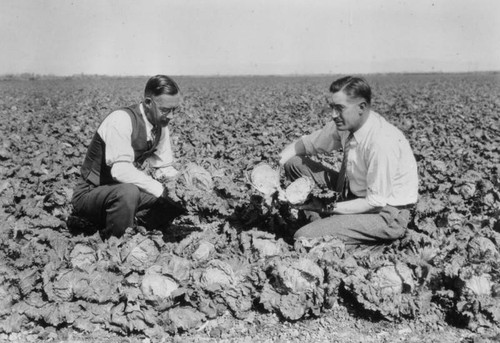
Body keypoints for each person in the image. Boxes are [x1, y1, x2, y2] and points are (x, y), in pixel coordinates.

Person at [279, 76, 418, 249]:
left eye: (340, 109)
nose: (333, 115)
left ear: (361, 107)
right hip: (353, 192)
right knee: (294, 163)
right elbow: (306, 145)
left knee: (303, 237)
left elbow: (375, 203)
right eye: (332, 108)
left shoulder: (381, 141)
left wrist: (325, 207)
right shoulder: (347, 124)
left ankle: (367, 242)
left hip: (386, 213)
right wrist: (272, 167)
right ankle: (327, 226)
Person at [72, 75, 185, 238]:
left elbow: (164, 167)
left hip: (121, 193)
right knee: (129, 192)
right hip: (91, 194)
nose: (171, 116)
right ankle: (114, 241)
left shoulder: (160, 126)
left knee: (178, 199)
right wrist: (160, 189)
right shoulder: (121, 119)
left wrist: (185, 188)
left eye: (174, 110)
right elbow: (120, 171)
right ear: (148, 103)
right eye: (166, 110)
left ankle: (137, 227)